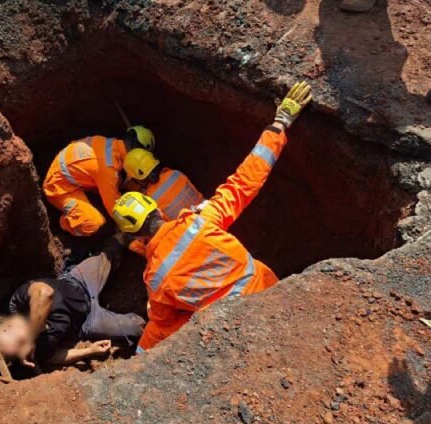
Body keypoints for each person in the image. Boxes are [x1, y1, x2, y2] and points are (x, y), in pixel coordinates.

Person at [111, 81, 313, 352]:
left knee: (157, 329)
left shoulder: (156, 279)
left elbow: (163, 324)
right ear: (156, 209)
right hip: (268, 291)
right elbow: (244, 181)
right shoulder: (202, 219)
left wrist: (145, 349)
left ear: (134, 235)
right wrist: (280, 122)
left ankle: (138, 364)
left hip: (233, 327)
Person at [0, 236, 145, 368]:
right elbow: (55, 357)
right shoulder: (39, 349)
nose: (23, 342)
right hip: (88, 320)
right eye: (20, 346)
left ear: (8, 325)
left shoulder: (18, 304)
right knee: (135, 328)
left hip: (79, 281)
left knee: (111, 251)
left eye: (20, 340)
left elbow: (45, 293)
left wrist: (30, 336)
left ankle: (129, 234)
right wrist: (90, 351)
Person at [43, 126, 155, 237]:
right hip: (58, 188)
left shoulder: (109, 144)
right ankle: (65, 222)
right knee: (93, 223)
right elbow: (116, 210)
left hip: (63, 167)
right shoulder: (108, 170)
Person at [122, 149, 203, 256]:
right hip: (205, 212)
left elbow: (156, 232)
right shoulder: (175, 174)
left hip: (189, 236)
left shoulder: (148, 201)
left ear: (137, 179)